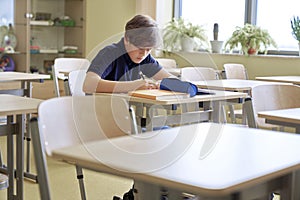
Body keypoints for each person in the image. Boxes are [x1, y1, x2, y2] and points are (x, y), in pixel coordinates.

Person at [83, 14, 174, 94]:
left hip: (125, 109)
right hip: (99, 108)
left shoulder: (146, 58)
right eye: (140, 48)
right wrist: (133, 86)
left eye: (148, 49)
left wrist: (162, 84)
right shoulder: (109, 53)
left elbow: (173, 80)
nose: (143, 54)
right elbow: (88, 84)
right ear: (127, 39)